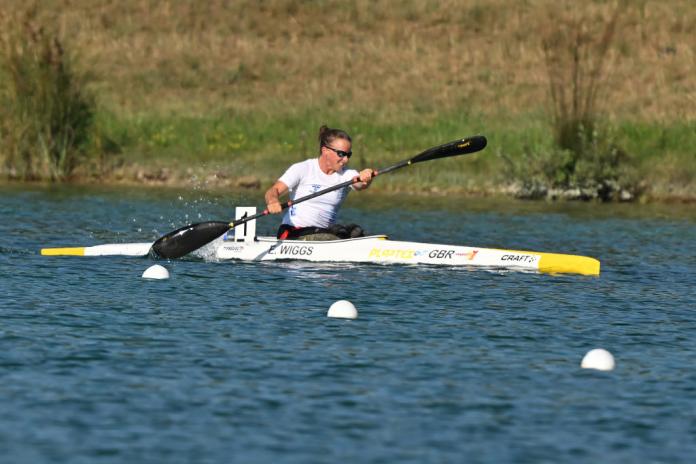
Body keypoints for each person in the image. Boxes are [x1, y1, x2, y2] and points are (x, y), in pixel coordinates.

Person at [264, 125, 374, 240]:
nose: (346, 159)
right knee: (332, 235)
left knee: (355, 231)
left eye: (348, 155)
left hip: (325, 233)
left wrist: (367, 177)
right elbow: (273, 191)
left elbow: (360, 184)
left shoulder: (346, 174)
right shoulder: (303, 169)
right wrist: (272, 201)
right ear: (325, 151)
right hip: (293, 232)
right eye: (341, 154)